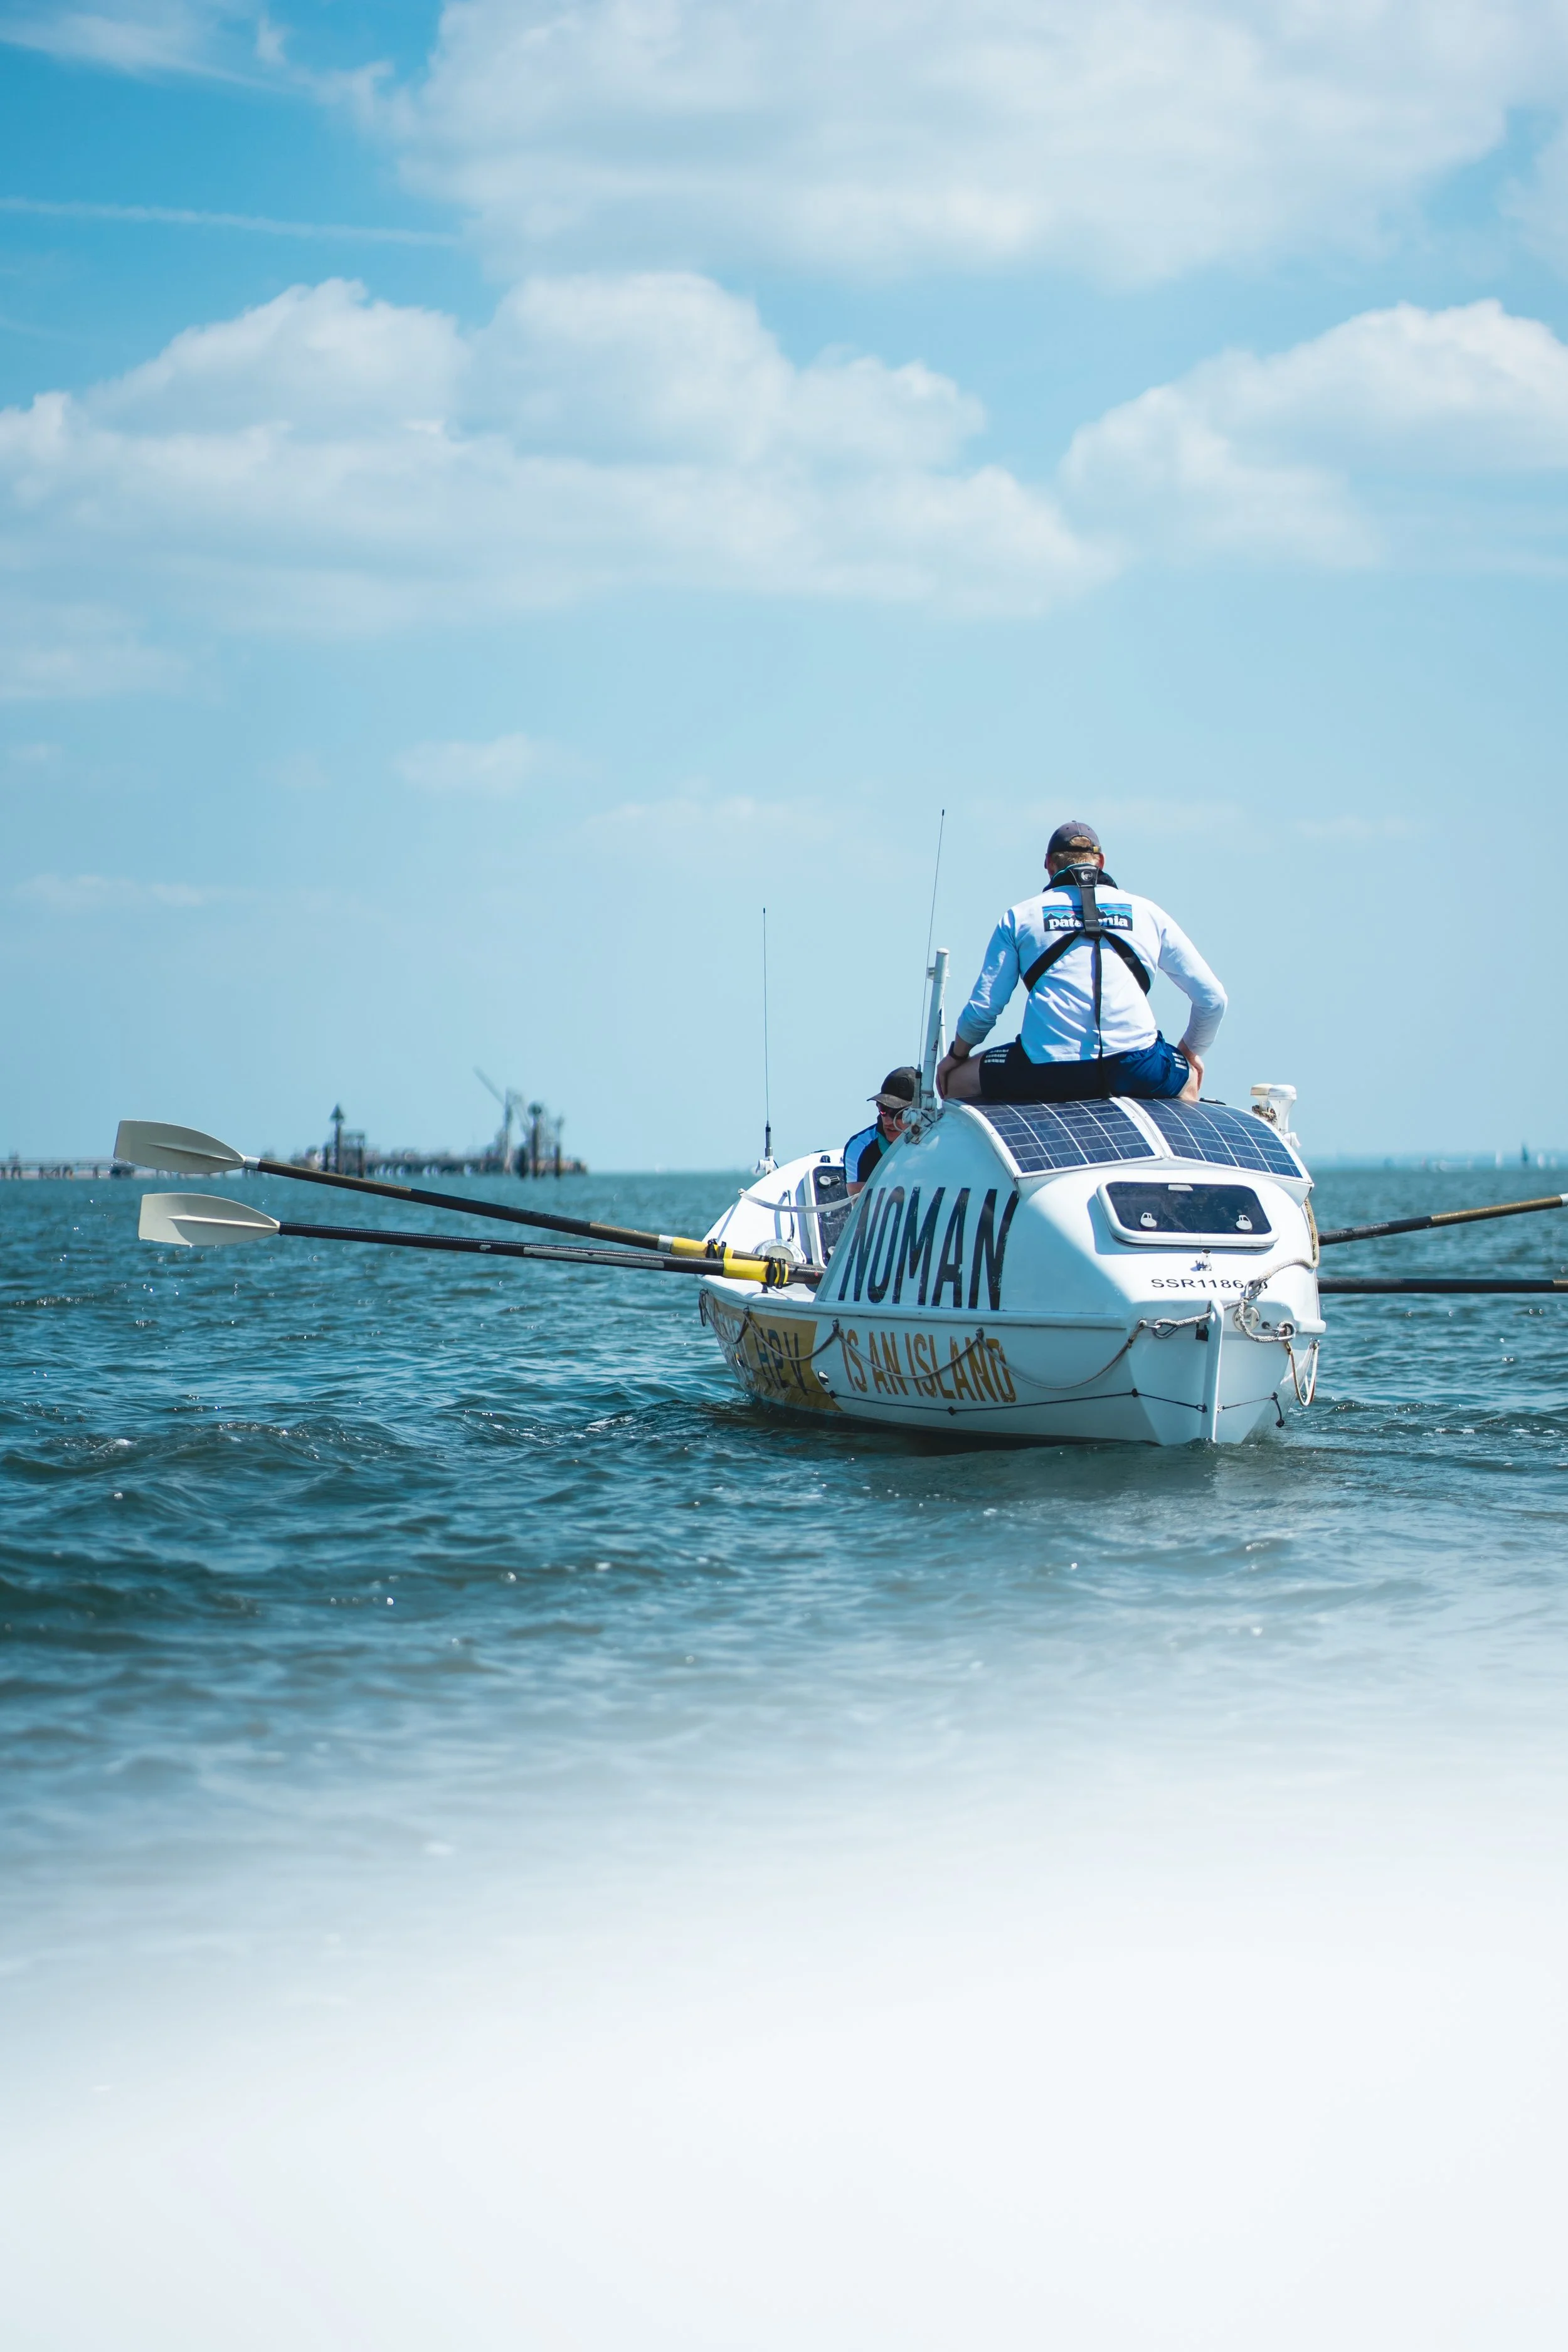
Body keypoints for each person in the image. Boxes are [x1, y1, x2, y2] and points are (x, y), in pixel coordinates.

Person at [936, 822, 1224, 1106]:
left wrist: (956, 1057)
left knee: (957, 1081)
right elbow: (1213, 999)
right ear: (1101, 862)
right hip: (1137, 1067)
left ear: (1049, 864)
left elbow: (984, 1010)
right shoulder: (1148, 912)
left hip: (1045, 1070)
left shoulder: (1020, 917)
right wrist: (1189, 1052)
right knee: (1190, 1075)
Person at [842, 1066, 918, 1195]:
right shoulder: (860, 1147)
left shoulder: (942, 1141)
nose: (888, 1121)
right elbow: (860, 1204)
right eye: (883, 1110)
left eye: (899, 1114)